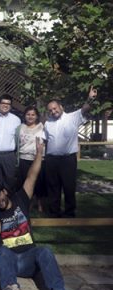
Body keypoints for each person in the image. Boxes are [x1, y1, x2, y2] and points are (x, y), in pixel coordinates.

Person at [0, 137, 74, 290]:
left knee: (45, 250)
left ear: (4, 191)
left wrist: (39, 153)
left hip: (28, 259)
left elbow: (32, 175)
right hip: (8, 260)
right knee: (1, 250)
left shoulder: (21, 199)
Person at [44, 87, 97, 218]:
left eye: (55, 108)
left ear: (61, 107)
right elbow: (45, 140)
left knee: (68, 187)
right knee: (53, 187)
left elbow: (85, 109)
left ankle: (69, 212)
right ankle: (54, 212)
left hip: (67, 160)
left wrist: (90, 98)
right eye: (50, 110)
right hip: (51, 160)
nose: (53, 111)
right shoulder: (47, 123)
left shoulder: (73, 117)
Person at [17, 106, 46, 213]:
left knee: (39, 182)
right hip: (24, 158)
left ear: (37, 116)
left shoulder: (42, 127)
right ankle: (27, 202)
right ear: (25, 116)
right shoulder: (20, 127)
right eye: (28, 114)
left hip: (38, 158)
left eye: (33, 114)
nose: (30, 116)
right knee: (25, 182)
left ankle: (39, 203)